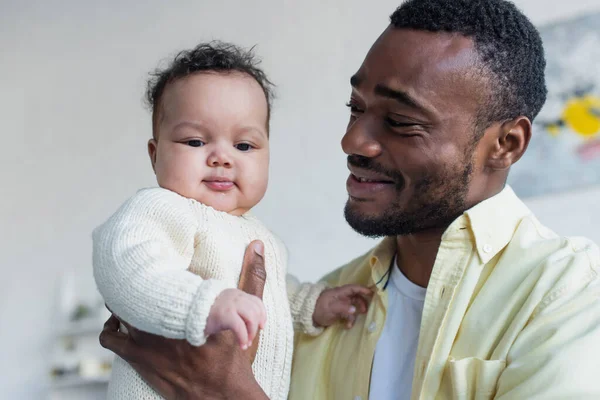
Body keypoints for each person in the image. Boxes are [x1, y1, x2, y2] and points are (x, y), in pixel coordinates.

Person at [99, 0, 600, 399]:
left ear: (506, 144)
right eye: (354, 108)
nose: (353, 142)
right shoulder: (335, 301)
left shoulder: (570, 293)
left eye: (402, 122)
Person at [92, 41, 371, 400]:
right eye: (195, 141)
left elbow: (269, 296)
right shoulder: (161, 208)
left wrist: (311, 305)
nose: (222, 157)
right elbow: (128, 264)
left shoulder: (256, 234)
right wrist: (202, 304)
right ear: (155, 153)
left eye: (244, 146)